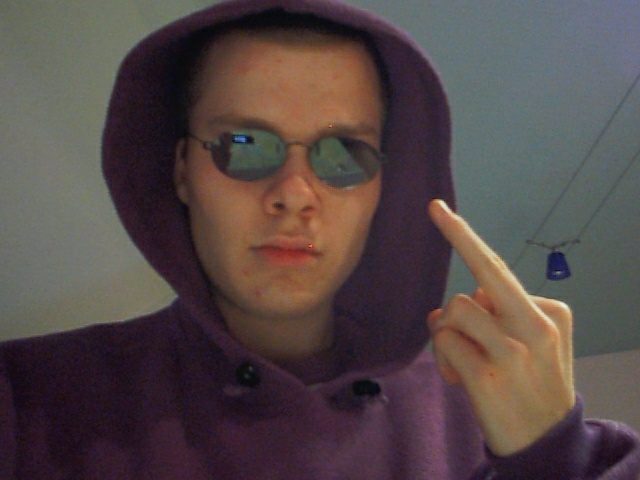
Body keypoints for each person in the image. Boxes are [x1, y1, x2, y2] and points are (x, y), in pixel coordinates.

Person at [1, 0, 638, 478]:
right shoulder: (30, 403)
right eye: (245, 145)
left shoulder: (482, 418)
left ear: (382, 188)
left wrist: (556, 457)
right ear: (182, 172)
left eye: (344, 154)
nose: (295, 194)